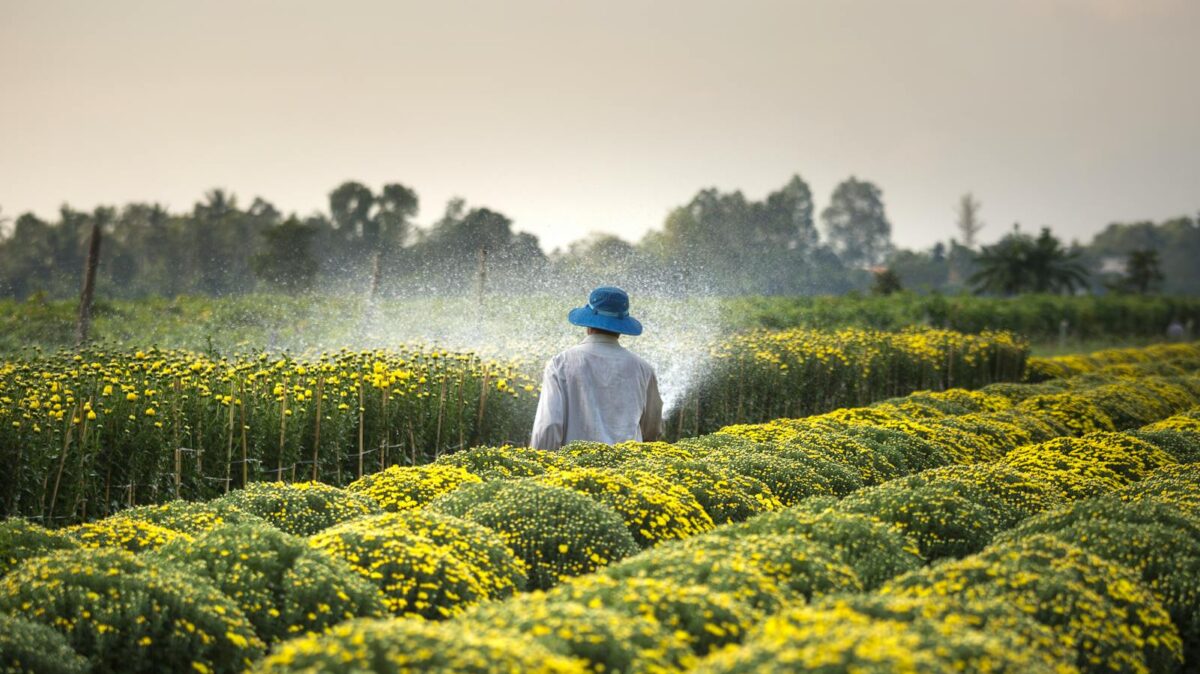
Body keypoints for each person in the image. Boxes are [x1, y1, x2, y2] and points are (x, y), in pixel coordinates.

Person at [530, 286, 663, 451]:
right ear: (621, 327)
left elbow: (548, 426)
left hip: (571, 470)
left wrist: (542, 464)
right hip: (628, 470)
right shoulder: (643, 369)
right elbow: (652, 429)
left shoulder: (561, 363)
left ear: (588, 324)